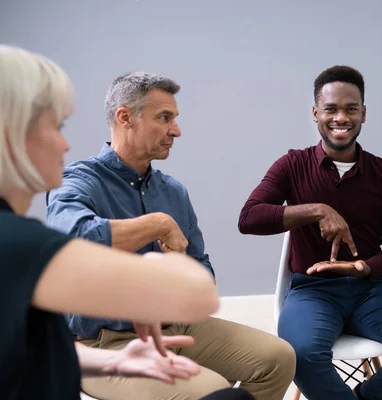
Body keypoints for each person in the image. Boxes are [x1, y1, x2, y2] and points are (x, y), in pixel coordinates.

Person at [46, 71, 296, 400]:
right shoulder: (78, 181)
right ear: (125, 118)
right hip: (105, 343)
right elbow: (73, 238)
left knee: (278, 359)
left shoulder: (174, 191)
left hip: (179, 328)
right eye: (164, 118)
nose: (175, 130)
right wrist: (158, 224)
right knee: (211, 390)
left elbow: (203, 274)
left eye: (174, 119)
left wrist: (183, 270)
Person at [0, 45, 219, 399]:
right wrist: (156, 243)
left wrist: (111, 364)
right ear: (10, 134)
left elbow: (29, 349)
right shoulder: (19, 242)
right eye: (55, 126)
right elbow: (197, 293)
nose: (65, 144)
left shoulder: (17, 238)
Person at [238, 65, 382, 400]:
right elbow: (249, 218)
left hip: (370, 290)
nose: (340, 118)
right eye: (331, 109)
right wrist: (317, 210)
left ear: (364, 113)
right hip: (311, 292)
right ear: (316, 113)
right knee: (298, 355)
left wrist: (363, 268)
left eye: (350, 109)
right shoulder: (291, 165)